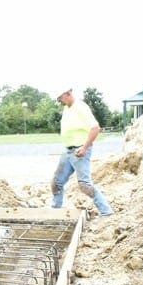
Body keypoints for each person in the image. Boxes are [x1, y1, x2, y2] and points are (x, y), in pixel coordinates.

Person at [51, 88, 113, 216]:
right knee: (56, 183)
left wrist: (84, 147)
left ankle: (107, 212)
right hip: (68, 150)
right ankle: (55, 211)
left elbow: (95, 128)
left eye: (60, 98)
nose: (59, 101)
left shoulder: (81, 107)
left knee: (85, 185)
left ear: (67, 94)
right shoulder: (67, 108)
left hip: (80, 150)